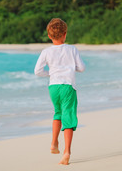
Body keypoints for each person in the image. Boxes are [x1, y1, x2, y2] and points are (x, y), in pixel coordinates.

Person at [34, 18, 85, 165]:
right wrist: (69, 68)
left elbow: (37, 71)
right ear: (65, 34)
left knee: (58, 113)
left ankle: (53, 142)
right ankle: (66, 152)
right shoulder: (72, 49)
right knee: (68, 116)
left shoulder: (46, 51)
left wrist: (50, 73)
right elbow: (81, 68)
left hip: (53, 87)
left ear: (49, 36)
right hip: (67, 86)